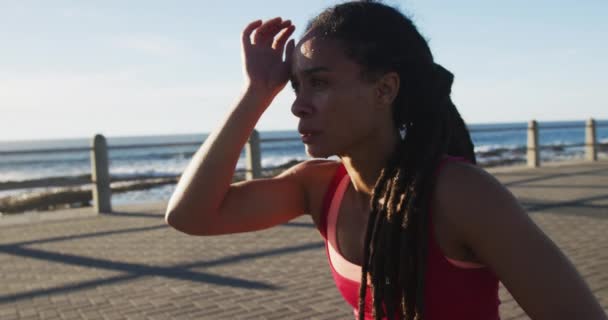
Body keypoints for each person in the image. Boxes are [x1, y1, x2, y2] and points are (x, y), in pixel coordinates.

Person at [164, 1, 606, 319]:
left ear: (385, 90)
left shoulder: (460, 193)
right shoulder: (320, 188)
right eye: (295, 86)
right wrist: (256, 93)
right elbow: (190, 215)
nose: (298, 105)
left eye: (318, 83)